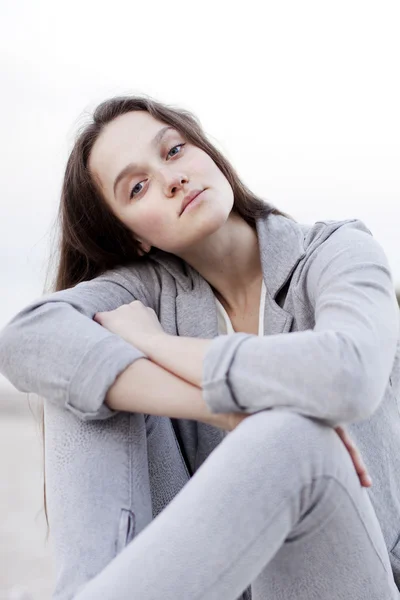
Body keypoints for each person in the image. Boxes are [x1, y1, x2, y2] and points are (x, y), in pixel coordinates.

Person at [0, 95, 399, 600]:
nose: (172, 180)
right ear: (133, 237)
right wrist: (221, 409)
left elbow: (349, 375)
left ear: (207, 153)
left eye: (174, 151)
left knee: (292, 432)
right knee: (81, 374)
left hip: (353, 576)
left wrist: (155, 344)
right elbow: (27, 337)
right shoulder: (145, 291)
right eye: (138, 187)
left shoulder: (335, 252)